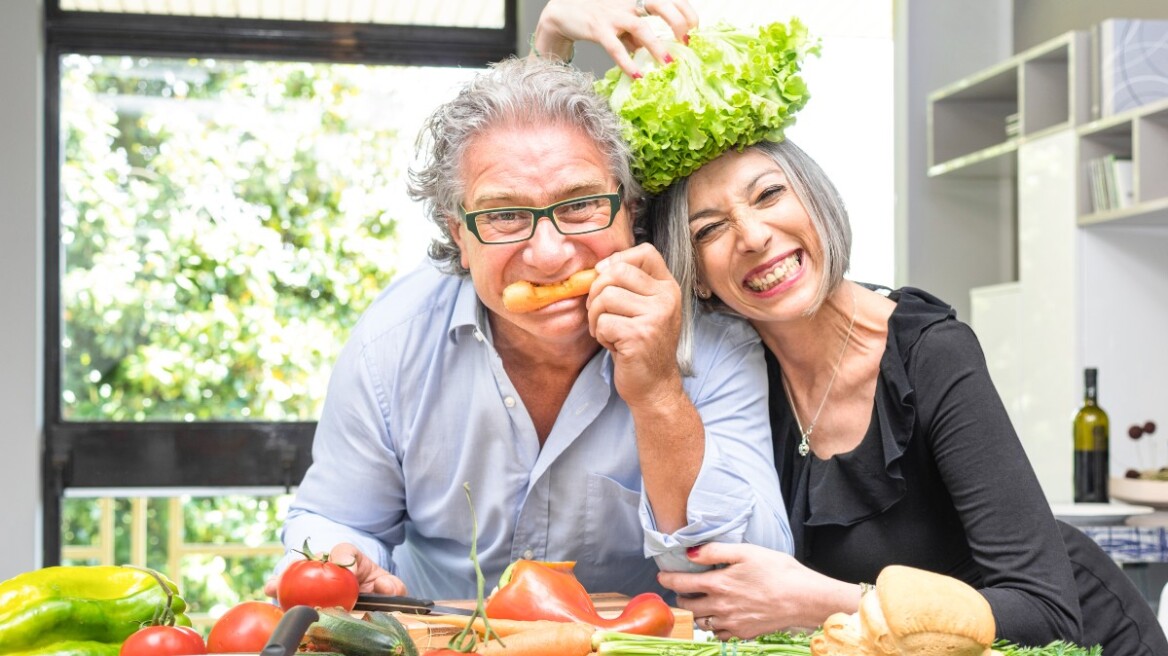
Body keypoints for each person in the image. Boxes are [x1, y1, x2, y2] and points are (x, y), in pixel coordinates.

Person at [536, 1, 1168, 653]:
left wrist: (823, 600)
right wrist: (552, 36)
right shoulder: (731, 372)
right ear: (693, 276)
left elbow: (1046, 613)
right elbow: (566, 225)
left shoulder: (928, 352)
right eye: (710, 229)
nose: (753, 236)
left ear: (815, 198)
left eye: (769, 194)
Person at [263, 53, 793, 602]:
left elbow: (752, 577)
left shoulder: (714, 340)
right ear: (459, 235)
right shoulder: (391, 342)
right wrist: (345, 562)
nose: (548, 254)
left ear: (629, 211)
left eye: (581, 205)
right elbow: (340, 520)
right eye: (503, 216)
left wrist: (659, 392)